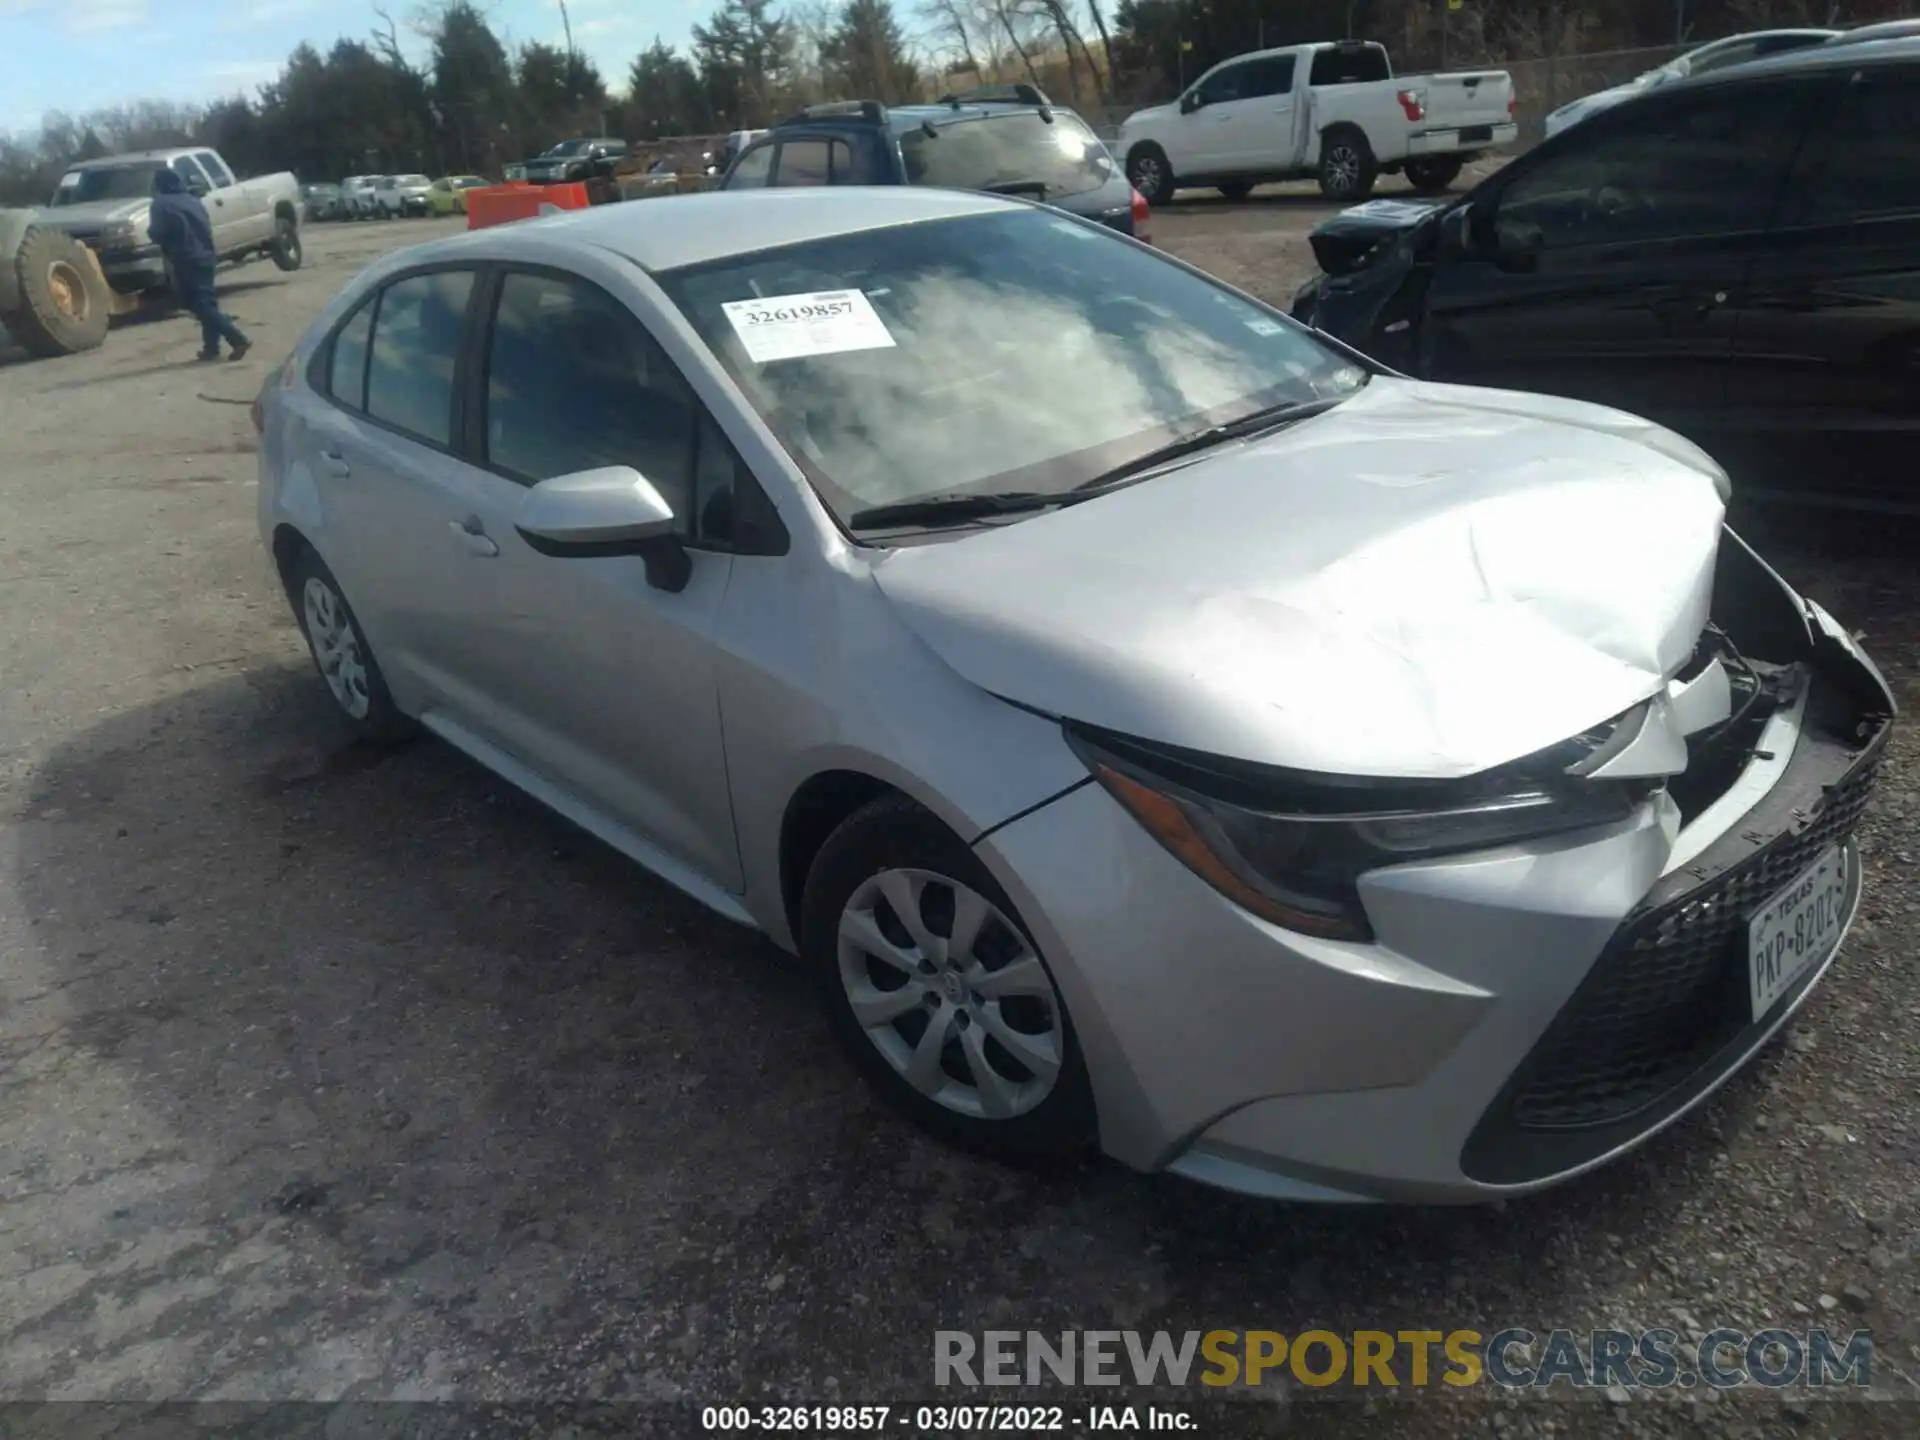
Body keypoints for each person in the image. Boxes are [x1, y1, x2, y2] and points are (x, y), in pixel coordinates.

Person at [147, 168, 250, 363]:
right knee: (208, 302)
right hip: (207, 255)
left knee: (196, 304)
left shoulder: (160, 204)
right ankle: (211, 348)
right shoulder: (193, 200)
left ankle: (237, 339)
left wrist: (153, 234)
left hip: (185, 258)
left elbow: (157, 233)